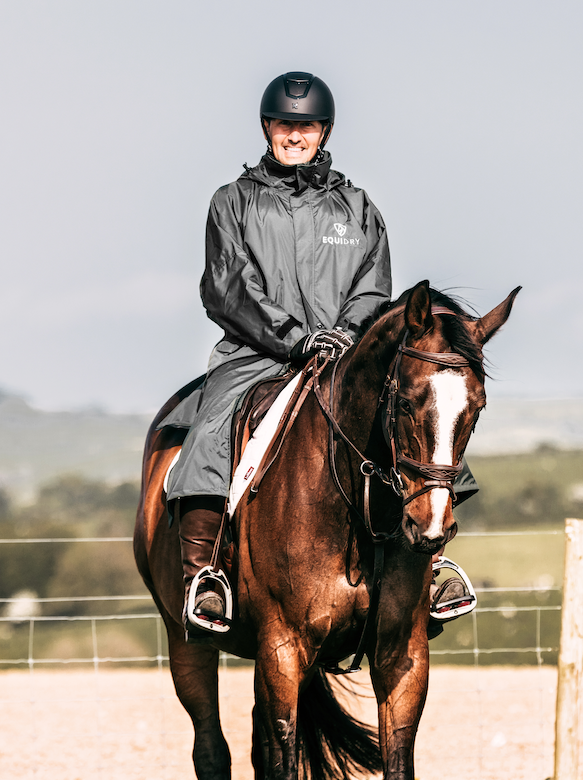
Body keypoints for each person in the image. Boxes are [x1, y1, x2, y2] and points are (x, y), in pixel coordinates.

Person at [164, 71, 477, 638]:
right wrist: (293, 337)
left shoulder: (358, 209)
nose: (294, 135)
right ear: (267, 127)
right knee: (210, 433)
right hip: (256, 354)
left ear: (323, 130)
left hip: (342, 355)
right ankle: (205, 577)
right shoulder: (232, 202)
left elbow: (373, 289)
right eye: (285, 124)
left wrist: (344, 336)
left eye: (305, 125)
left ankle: (428, 572)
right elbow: (228, 285)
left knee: (420, 424)